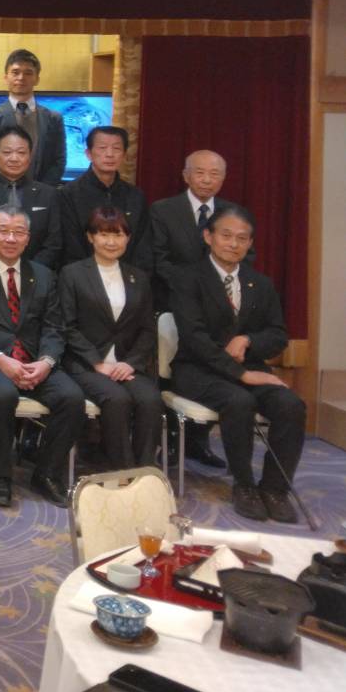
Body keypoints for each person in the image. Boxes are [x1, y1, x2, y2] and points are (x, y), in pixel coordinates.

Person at [171, 206, 304, 523]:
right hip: (198, 370)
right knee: (239, 400)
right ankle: (244, 486)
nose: (233, 244)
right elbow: (194, 338)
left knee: (291, 405)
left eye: (242, 238)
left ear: (250, 243)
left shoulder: (261, 283)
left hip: (251, 370)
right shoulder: (187, 279)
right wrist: (241, 374)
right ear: (208, 236)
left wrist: (248, 340)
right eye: (226, 235)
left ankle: (275, 489)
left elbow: (278, 335)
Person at [0, 205, 84, 508]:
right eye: (4, 231)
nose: (11, 238)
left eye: (19, 232)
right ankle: (0, 476)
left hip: (34, 361)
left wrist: (46, 362)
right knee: (3, 394)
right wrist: (0, 359)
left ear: (28, 238)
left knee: (72, 398)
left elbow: (54, 327)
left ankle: (47, 473)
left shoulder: (44, 275)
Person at [148, 148, 243, 468]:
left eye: (214, 174)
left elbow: (244, 258)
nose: (206, 179)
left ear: (223, 178)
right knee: (172, 372)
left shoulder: (233, 214)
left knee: (212, 370)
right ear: (186, 176)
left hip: (220, 313)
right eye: (199, 172)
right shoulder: (163, 210)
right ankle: (172, 441)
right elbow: (158, 259)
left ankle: (199, 442)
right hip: (172, 304)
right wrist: (193, 290)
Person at [59, 206, 159, 471]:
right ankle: (122, 471)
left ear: (128, 238)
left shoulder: (139, 277)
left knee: (150, 399)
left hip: (126, 364)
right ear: (90, 237)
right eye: (104, 234)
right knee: (117, 399)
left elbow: (148, 329)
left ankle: (145, 471)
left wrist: (131, 363)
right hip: (85, 364)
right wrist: (97, 362)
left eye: (118, 234)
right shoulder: (72, 274)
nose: (111, 242)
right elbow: (67, 326)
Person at [0, 127, 62, 270]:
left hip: (37, 274)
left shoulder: (49, 194)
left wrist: (30, 272)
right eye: (7, 152)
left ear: (30, 156)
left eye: (21, 153)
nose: (14, 158)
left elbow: (54, 243)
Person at [58, 127, 151, 267]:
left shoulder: (136, 196)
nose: (109, 154)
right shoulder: (69, 194)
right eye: (102, 148)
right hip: (82, 273)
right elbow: (70, 245)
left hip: (128, 273)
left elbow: (142, 246)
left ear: (124, 155)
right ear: (89, 154)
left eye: (116, 148)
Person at [0, 49, 66, 185]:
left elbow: (59, 160)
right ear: (6, 77)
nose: (21, 77)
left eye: (28, 73)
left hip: (43, 192)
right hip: (3, 192)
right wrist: (9, 188)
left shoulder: (53, 118)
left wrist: (42, 191)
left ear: (37, 79)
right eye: (15, 72)